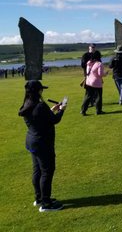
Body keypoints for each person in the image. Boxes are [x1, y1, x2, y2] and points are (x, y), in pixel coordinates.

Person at [18, 80, 67, 212]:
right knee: (47, 171)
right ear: (38, 91)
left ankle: (39, 198)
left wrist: (52, 110)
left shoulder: (27, 104)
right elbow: (54, 120)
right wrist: (61, 110)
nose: (42, 91)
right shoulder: (40, 105)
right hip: (42, 143)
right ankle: (46, 204)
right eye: (41, 89)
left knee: (38, 170)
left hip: (32, 141)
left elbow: (39, 118)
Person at [80, 50, 107, 115]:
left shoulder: (88, 63)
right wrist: (105, 73)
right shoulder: (99, 64)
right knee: (98, 97)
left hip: (88, 82)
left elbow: (87, 72)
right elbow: (100, 74)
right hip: (96, 82)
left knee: (87, 96)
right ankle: (98, 111)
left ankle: (83, 110)